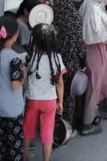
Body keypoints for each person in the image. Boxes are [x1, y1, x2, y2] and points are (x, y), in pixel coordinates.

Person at [23, 24, 66, 161]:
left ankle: (24, 157)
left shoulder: (29, 57)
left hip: (32, 100)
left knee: (28, 130)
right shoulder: (56, 59)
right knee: (47, 132)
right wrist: (60, 101)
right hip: (50, 101)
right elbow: (60, 83)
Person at [79, 0, 107, 136]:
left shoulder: (88, 7)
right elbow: (101, 35)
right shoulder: (96, 9)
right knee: (93, 88)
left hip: (91, 52)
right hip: (96, 53)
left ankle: (89, 118)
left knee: (91, 87)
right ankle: (87, 124)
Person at [0, 16, 26, 161]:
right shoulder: (15, 57)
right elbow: (15, 85)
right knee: (14, 145)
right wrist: (24, 75)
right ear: (15, 35)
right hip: (13, 110)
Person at [53, 0, 86, 130]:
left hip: (54, 62)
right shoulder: (75, 16)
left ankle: (51, 125)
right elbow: (79, 41)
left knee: (54, 94)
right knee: (69, 96)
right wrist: (83, 57)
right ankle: (66, 128)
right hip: (71, 61)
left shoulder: (54, 16)